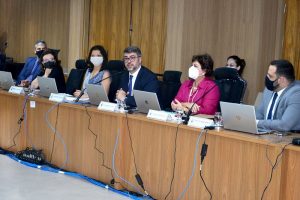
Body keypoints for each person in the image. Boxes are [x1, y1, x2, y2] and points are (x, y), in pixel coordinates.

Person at [256, 59, 300, 132]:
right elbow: (259, 114)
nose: (267, 78)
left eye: (270, 76)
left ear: (281, 80)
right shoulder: (269, 89)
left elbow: (284, 125)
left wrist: (257, 123)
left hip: (287, 138)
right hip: (266, 135)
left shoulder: (297, 94)